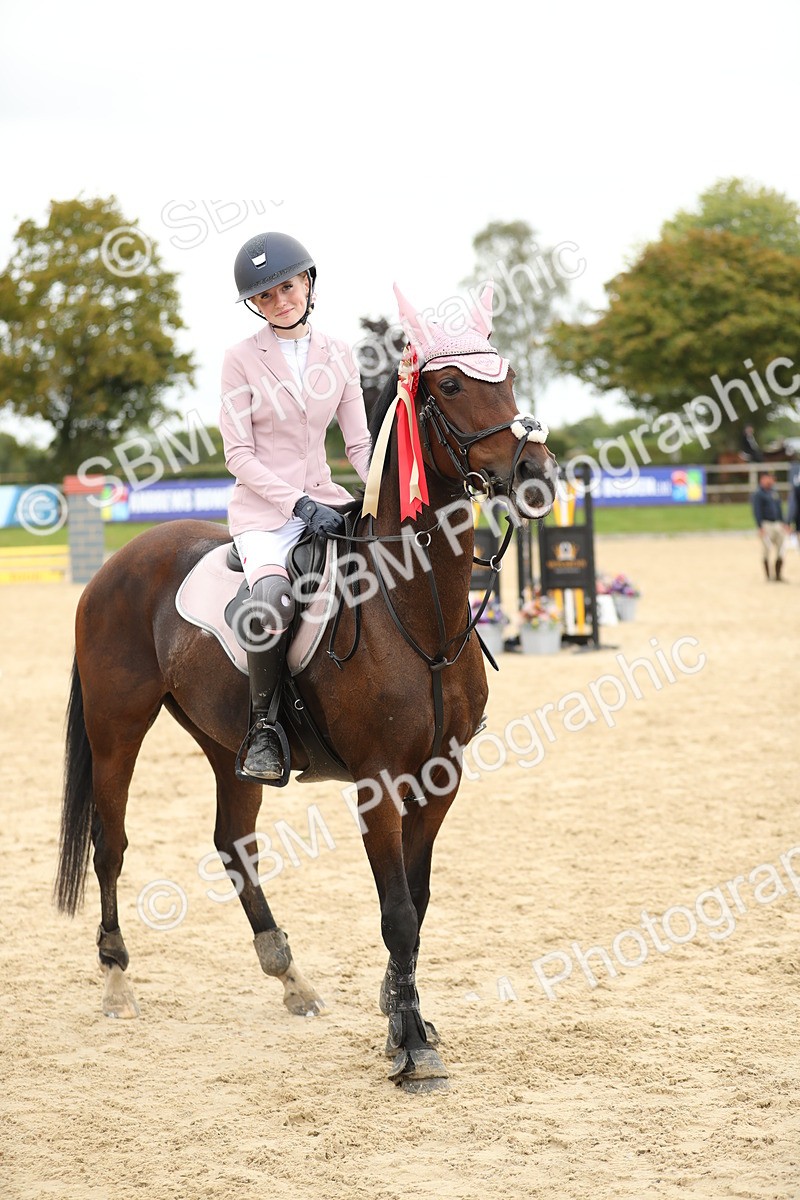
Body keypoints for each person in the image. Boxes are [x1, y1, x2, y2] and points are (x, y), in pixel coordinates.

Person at [219, 232, 372, 780]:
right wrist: (298, 505)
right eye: (266, 297)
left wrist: (386, 488)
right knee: (273, 600)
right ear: (256, 306)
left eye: (287, 286)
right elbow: (238, 453)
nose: (280, 301)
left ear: (307, 282)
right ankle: (264, 730)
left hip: (328, 499)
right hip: (265, 514)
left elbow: (357, 444)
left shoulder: (340, 354)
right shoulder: (239, 361)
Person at [751, 472, 788, 581]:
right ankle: (768, 575)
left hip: (778, 523)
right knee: (767, 549)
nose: (771, 481)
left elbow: (780, 509)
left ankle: (778, 574)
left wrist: (784, 523)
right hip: (766, 524)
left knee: (782, 548)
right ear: (763, 479)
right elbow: (757, 511)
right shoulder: (758, 494)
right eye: (769, 478)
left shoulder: (774, 492)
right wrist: (760, 526)